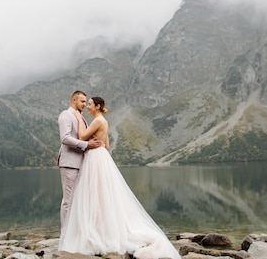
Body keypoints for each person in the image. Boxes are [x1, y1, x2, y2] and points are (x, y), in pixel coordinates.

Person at [58, 96, 181, 259]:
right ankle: (100, 230)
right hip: (101, 156)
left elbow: (81, 137)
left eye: (90, 104)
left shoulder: (96, 121)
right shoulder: (104, 121)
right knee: (101, 195)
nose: (87, 106)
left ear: (98, 106)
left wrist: (79, 120)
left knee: (93, 195)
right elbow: (107, 145)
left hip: (94, 159)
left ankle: (92, 232)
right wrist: (97, 141)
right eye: (85, 103)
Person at [57, 90, 101, 234]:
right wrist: (87, 145)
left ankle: (76, 233)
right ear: (73, 100)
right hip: (69, 163)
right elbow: (65, 138)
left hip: (81, 164)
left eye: (86, 102)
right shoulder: (66, 115)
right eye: (82, 101)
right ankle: (65, 235)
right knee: (68, 201)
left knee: (79, 200)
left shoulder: (81, 118)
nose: (84, 104)